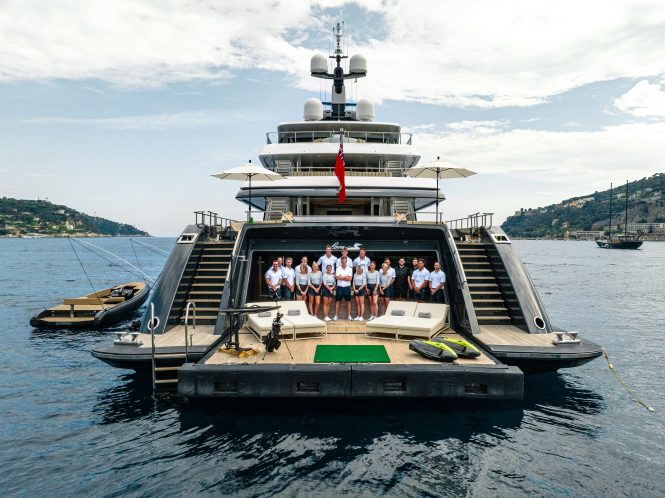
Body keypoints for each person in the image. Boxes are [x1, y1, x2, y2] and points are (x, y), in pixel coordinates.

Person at [334, 256, 353, 320]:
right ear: (341, 261)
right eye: (342, 261)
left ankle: (349, 316)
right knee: (337, 301)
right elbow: (337, 278)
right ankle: (336, 316)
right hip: (339, 287)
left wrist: (342, 277)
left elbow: (350, 278)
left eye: (345, 261)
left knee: (348, 302)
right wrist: (345, 277)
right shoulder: (338, 269)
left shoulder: (349, 269)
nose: (344, 262)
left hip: (347, 287)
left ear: (346, 261)